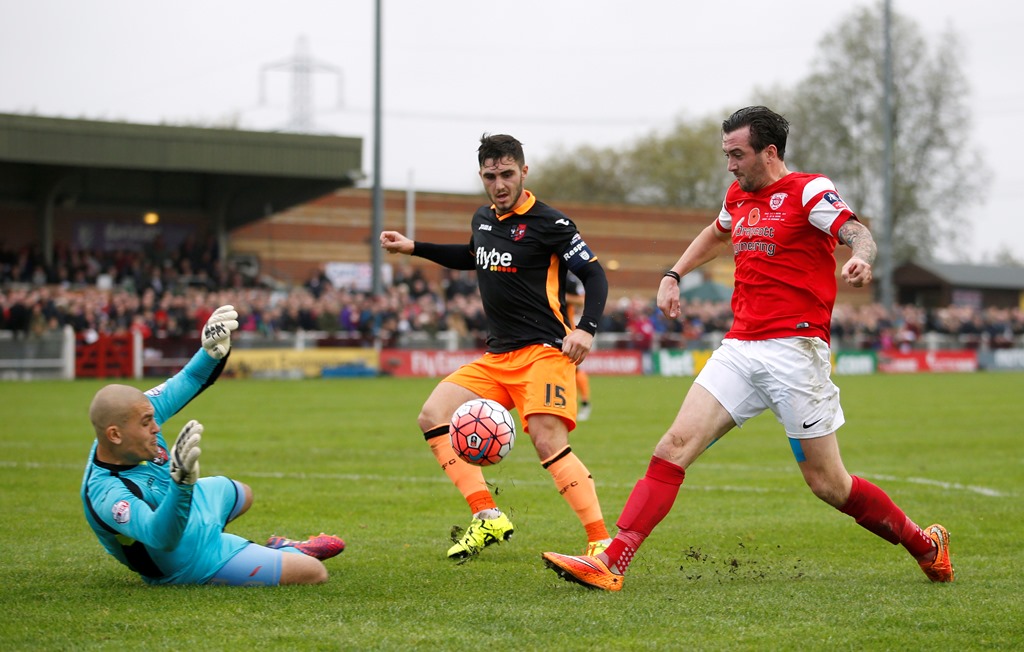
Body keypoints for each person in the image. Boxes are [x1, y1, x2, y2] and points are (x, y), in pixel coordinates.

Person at [542, 106, 953, 591]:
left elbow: (856, 231)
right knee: (672, 447)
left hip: (795, 353)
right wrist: (673, 274)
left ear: (770, 152)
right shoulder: (737, 195)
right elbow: (716, 234)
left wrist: (861, 257)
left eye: (737, 155)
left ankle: (926, 546)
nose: (730, 165)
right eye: (726, 155)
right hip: (739, 348)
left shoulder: (808, 191)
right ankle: (612, 562)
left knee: (829, 484)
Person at [380, 133, 612, 559]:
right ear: (482, 177)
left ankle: (601, 543)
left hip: (544, 352)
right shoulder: (483, 220)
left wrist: (587, 328)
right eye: (490, 176)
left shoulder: (552, 224)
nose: (499, 184)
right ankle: (487, 517)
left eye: (507, 174)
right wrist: (414, 248)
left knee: (546, 439)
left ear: (524, 171)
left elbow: (595, 276)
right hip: (497, 357)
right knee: (433, 415)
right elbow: (471, 255)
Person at [81, 304, 345, 586]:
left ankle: (254, 550)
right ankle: (278, 551)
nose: (156, 426)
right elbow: (162, 537)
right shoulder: (106, 494)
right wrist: (182, 484)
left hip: (191, 509)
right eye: (147, 423)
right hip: (186, 560)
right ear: (115, 435)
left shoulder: (136, 410)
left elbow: (190, 378)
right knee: (313, 573)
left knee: (243, 493)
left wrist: (210, 351)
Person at [566, 271, 593, 421]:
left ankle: (584, 402)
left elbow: (581, 301)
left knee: (574, 368)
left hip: (565, 329)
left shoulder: (568, 279)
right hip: (544, 329)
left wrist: (561, 296)